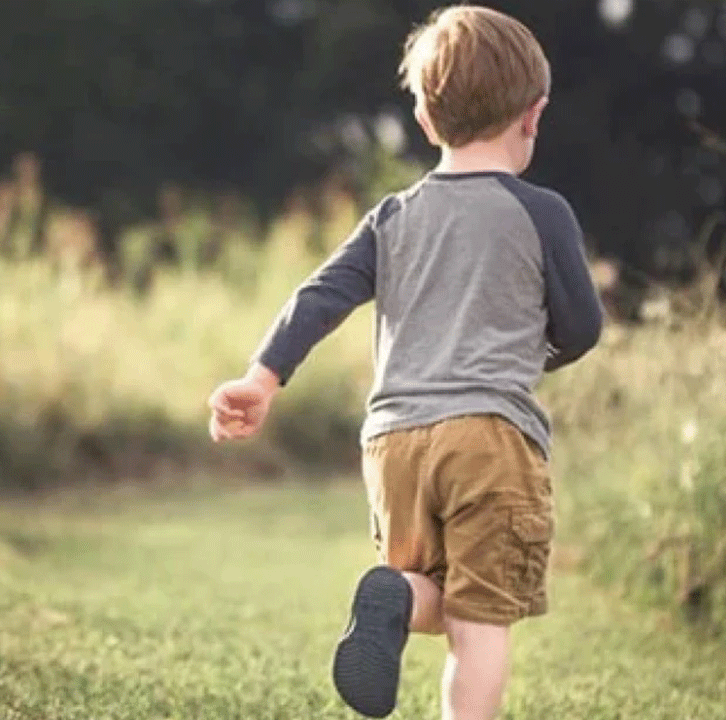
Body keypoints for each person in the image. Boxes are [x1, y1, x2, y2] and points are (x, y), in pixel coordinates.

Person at [206, 5, 604, 719]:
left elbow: (320, 295)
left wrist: (260, 377)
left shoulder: (392, 218)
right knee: (483, 620)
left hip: (393, 442)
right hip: (489, 439)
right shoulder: (542, 213)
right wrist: (532, 352)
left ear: (424, 121)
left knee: (436, 593)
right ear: (533, 115)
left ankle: (393, 598)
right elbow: (582, 327)